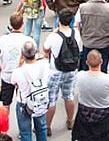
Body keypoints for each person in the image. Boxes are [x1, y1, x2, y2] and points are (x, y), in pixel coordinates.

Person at [43, 8, 81, 137]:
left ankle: (47, 126)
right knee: (69, 95)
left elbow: (45, 49)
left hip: (55, 71)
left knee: (51, 99)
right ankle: (70, 120)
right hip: (71, 70)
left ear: (59, 20)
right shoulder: (76, 33)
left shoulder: (54, 36)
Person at [72, 50, 109, 141]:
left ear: (86, 62)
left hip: (84, 112)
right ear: (101, 61)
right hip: (104, 114)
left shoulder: (80, 76)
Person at [76, 0, 109, 73]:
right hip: (104, 43)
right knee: (103, 68)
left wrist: (82, 36)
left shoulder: (82, 7)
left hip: (88, 42)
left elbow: (76, 25)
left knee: (86, 68)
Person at [12, 40, 50, 141]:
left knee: (25, 133)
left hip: (24, 103)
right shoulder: (45, 65)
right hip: (40, 100)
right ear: (36, 53)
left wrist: (19, 65)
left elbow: (13, 82)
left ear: (22, 55)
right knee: (41, 128)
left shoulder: (18, 71)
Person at [0, 13, 31, 113]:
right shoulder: (28, 40)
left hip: (6, 76)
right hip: (23, 76)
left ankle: (4, 126)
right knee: (23, 101)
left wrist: (1, 68)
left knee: (5, 103)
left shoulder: (2, 40)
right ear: (23, 24)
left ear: (10, 25)